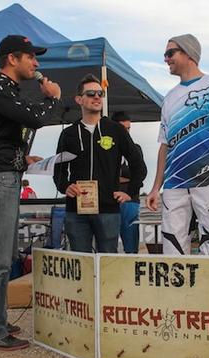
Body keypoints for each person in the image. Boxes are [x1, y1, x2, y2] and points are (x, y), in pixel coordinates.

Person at [0, 35, 62, 350]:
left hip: (2, 176)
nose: (36, 63)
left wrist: (24, 158)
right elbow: (34, 117)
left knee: (4, 258)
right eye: (31, 57)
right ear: (12, 58)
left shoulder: (5, 90)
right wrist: (51, 98)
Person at [146, 34, 209, 255]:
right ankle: (178, 291)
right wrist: (155, 187)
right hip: (175, 186)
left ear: (188, 54)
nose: (165, 59)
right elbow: (164, 145)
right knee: (173, 249)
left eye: (170, 53)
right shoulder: (169, 98)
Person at [53, 74, 146, 253]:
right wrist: (65, 187)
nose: (97, 97)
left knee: (107, 262)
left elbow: (138, 164)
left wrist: (131, 191)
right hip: (76, 209)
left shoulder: (116, 130)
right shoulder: (69, 134)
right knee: (82, 262)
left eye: (100, 93)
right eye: (90, 94)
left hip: (108, 209)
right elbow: (59, 170)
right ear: (79, 99)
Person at [111, 111, 145, 253]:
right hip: (110, 200)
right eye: (122, 128)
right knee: (108, 246)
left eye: (128, 128)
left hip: (131, 200)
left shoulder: (135, 148)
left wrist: (122, 177)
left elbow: (138, 174)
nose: (126, 132)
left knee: (131, 246)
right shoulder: (107, 149)